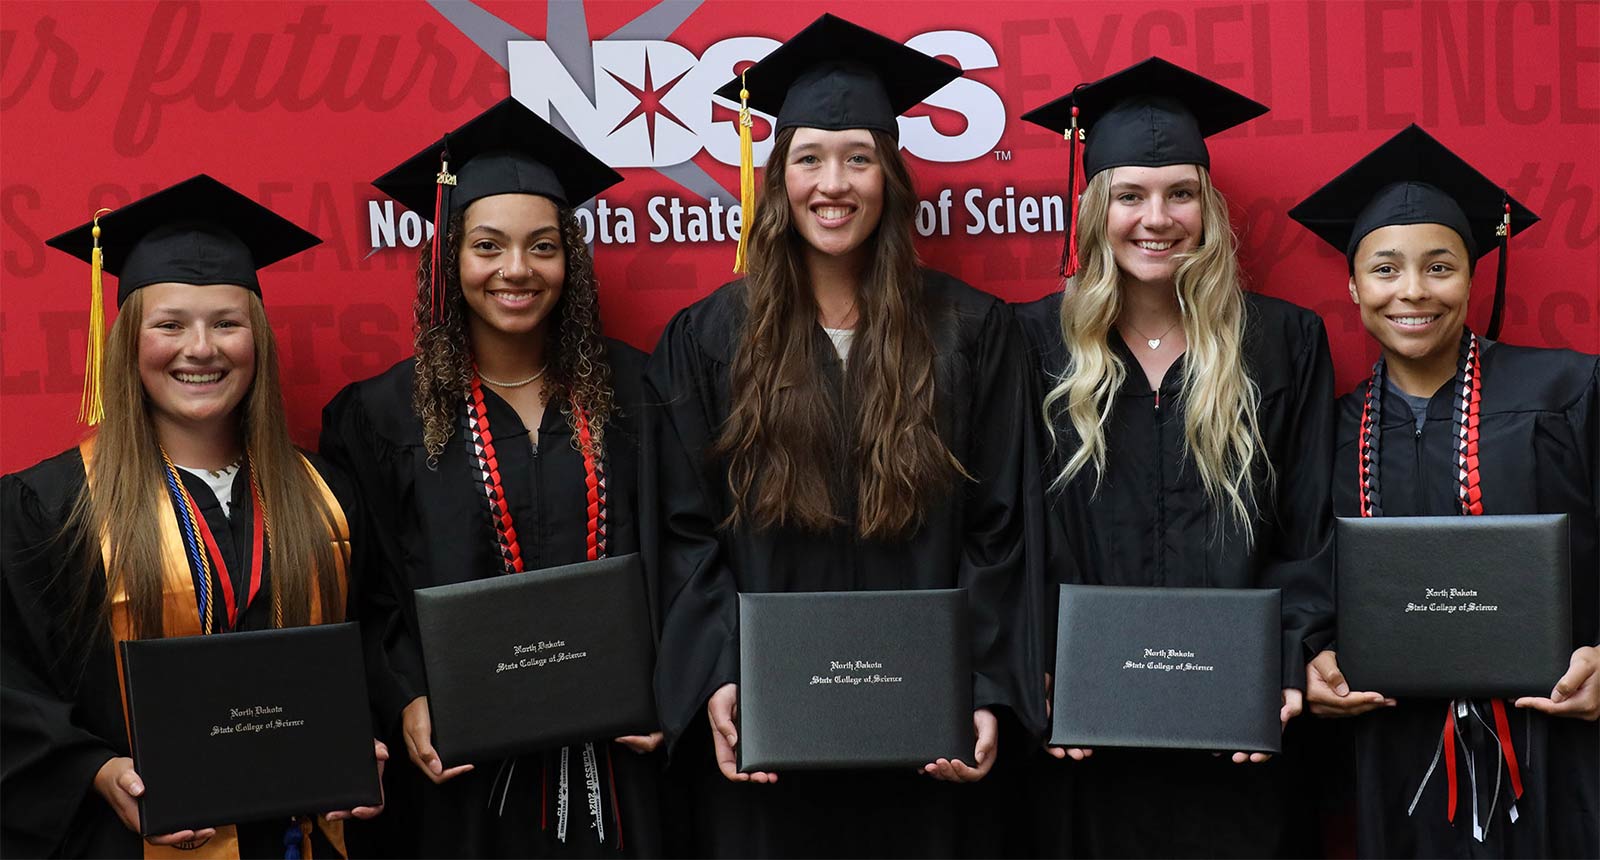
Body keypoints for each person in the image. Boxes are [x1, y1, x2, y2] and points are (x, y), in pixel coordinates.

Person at [643, 13, 1046, 858]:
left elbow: (1001, 526)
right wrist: (719, 673)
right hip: (774, 737)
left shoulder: (969, 332)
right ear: (777, 175)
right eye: (810, 159)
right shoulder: (710, 340)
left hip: (925, 739)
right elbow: (685, 531)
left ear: (891, 176)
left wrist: (980, 682)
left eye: (859, 157)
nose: (835, 184)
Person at [1, 175, 386, 859]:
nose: (201, 348)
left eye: (227, 323)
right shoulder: (53, 506)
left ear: (257, 341)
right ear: (127, 343)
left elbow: (370, 653)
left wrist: (364, 740)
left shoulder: (326, 495)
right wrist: (95, 770)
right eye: (170, 324)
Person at [319, 97, 662, 858]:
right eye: (487, 245)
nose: (516, 269)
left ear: (570, 260)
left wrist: (668, 681)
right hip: (459, 774)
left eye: (543, 247)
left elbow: (684, 558)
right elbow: (366, 593)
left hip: (618, 768)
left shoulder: (639, 395)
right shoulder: (383, 419)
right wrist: (404, 694)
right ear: (449, 260)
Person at [1013, 57, 1336, 857]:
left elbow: (1310, 527)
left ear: (1208, 208)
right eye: (1129, 195)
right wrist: (1033, 667)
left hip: (1239, 723)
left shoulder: (1283, 343)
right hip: (1083, 730)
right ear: (1094, 208)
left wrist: (1286, 657)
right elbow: (1005, 530)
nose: (1157, 218)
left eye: (1180, 193)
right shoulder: (1028, 345)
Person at [1289, 123, 1599, 857]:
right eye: (1386, 269)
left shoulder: (1570, 390)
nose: (1413, 292)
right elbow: (1303, 566)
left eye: (1439, 267)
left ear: (1471, 275)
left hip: (1555, 741)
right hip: (1393, 751)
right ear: (1354, 285)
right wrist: (1308, 659)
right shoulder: (1333, 427)